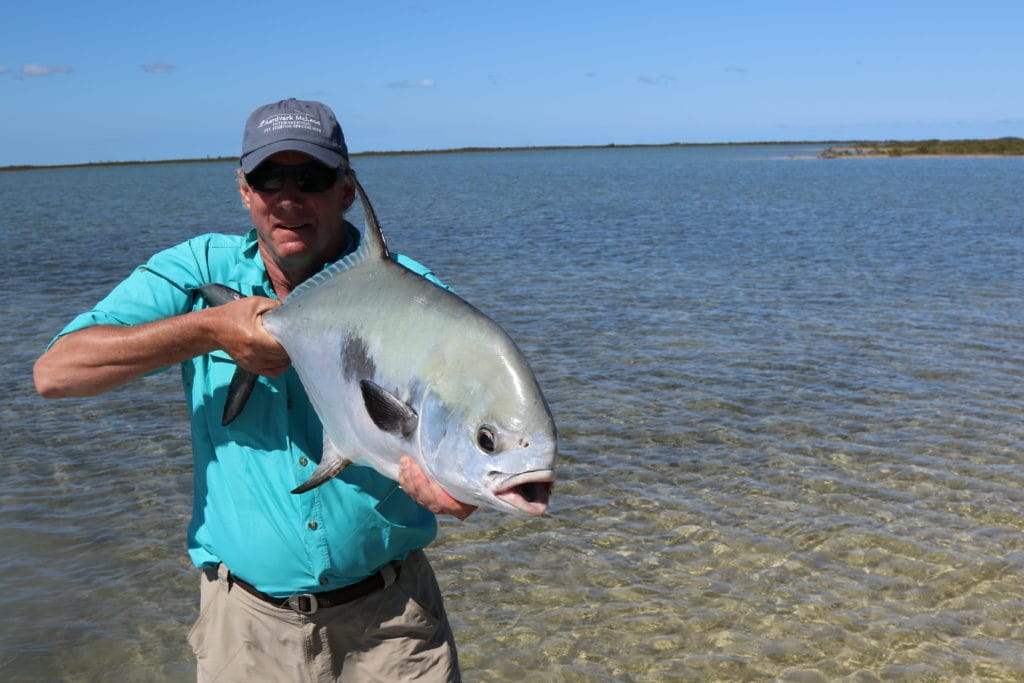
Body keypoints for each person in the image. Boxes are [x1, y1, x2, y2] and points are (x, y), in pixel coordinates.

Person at [33, 98, 475, 682]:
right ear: (245, 190)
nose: (288, 197)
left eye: (311, 177)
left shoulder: (413, 298)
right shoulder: (195, 271)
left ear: (346, 191)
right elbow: (56, 373)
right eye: (270, 177)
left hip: (393, 629)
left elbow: (473, 432)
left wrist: (462, 489)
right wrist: (210, 328)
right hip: (244, 634)